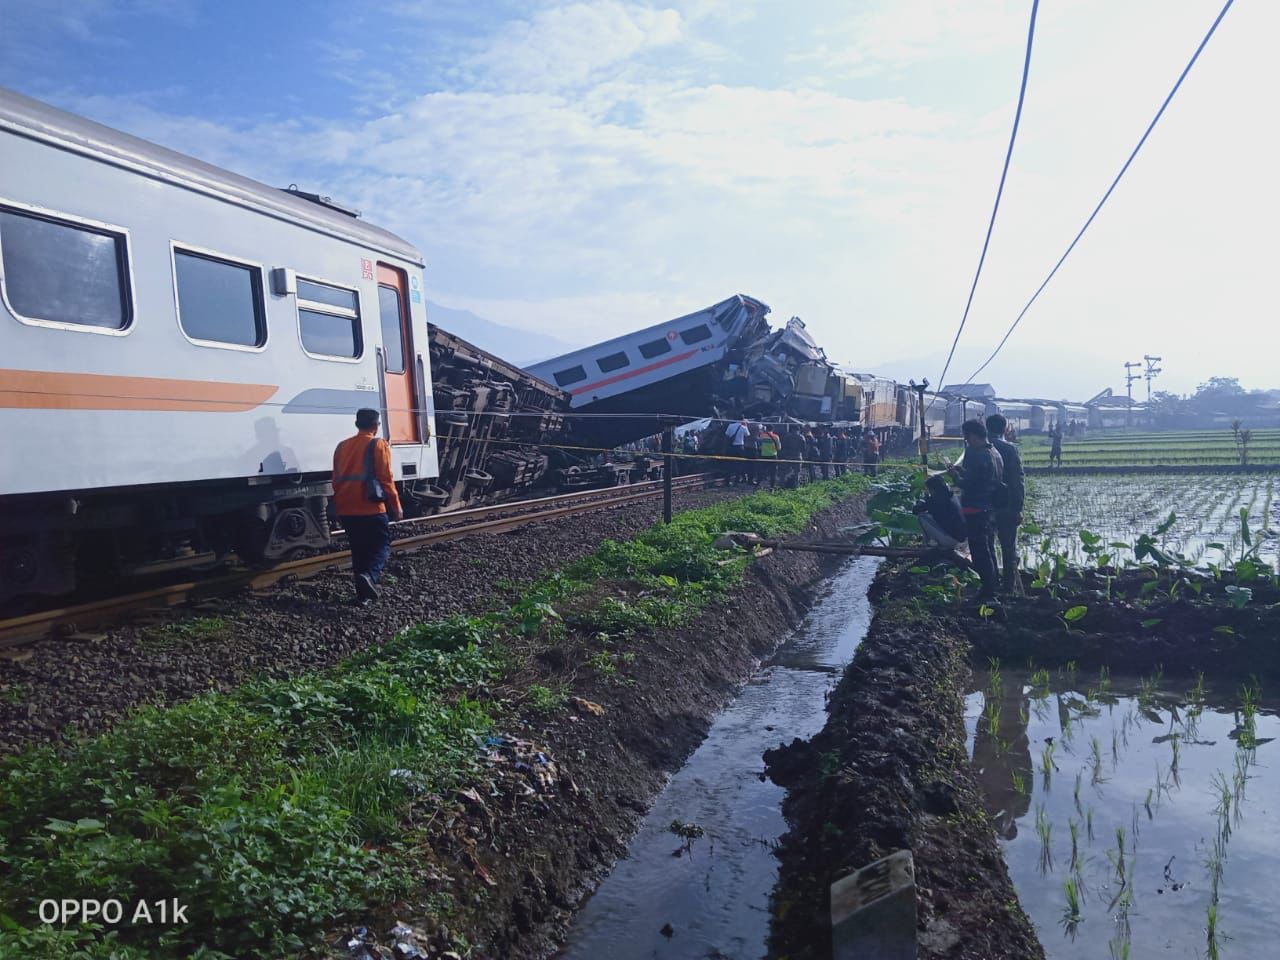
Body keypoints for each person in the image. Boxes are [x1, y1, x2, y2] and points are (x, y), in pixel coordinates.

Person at [333, 408, 403, 604]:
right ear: (376, 425)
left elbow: (335, 481)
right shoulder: (377, 444)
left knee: (359, 551)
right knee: (381, 546)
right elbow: (386, 479)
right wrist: (396, 506)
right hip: (371, 508)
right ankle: (370, 577)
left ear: (357, 424)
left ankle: (363, 597)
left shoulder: (341, 447)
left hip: (347, 508)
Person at [948, 419, 1004, 604]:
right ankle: (992, 585)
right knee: (988, 548)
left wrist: (954, 474)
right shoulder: (994, 452)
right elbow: (979, 477)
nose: (966, 441)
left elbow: (967, 483)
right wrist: (963, 471)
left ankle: (988, 591)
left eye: (966, 437)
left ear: (972, 435)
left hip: (976, 508)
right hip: (989, 507)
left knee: (980, 551)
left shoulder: (980, 455)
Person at [987, 413, 1025, 594]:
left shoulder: (977, 448)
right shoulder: (1010, 449)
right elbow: (1017, 481)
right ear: (1005, 429)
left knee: (988, 547)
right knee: (1008, 547)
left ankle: (991, 582)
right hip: (1006, 505)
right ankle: (1009, 587)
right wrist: (1018, 507)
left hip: (985, 506)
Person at [912, 474, 967, 551]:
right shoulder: (952, 495)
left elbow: (915, 511)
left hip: (951, 539)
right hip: (964, 535)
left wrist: (924, 500)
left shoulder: (933, 501)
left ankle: (929, 543)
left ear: (932, 489)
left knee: (921, 516)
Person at [724, 416, 749, 484]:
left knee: (730, 464)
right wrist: (745, 425)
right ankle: (737, 480)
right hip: (740, 447)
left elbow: (726, 436)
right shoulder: (743, 427)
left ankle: (727, 480)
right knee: (739, 464)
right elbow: (747, 435)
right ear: (742, 420)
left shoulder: (730, 426)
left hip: (731, 447)